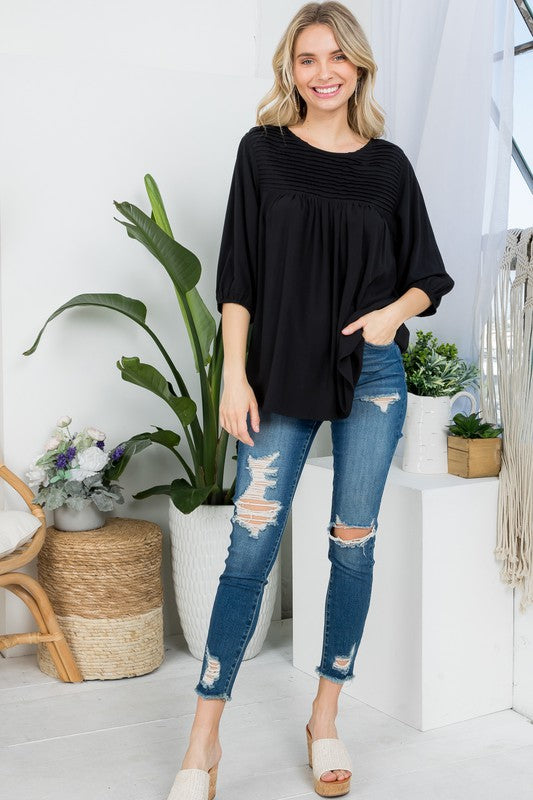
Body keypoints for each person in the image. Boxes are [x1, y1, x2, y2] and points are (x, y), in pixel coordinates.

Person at [166, 2, 455, 798]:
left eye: (336, 57)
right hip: (277, 375)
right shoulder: (261, 153)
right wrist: (233, 375)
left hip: (373, 377)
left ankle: (324, 719)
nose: (322, 73)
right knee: (249, 552)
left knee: (351, 545)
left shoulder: (389, 168)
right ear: (289, 71)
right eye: (306, 59)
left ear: (358, 66)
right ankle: (203, 742)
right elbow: (237, 276)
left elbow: (427, 277)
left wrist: (391, 316)